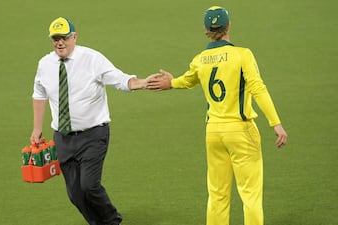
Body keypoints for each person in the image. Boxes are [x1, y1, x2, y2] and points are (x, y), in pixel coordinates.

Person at [147, 6, 288, 225]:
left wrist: (170, 83)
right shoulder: (242, 54)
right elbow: (257, 88)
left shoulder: (200, 60)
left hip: (213, 133)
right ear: (229, 25)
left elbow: (188, 80)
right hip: (242, 131)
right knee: (250, 195)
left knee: (217, 195)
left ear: (206, 29)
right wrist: (275, 123)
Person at [30, 17, 156, 225]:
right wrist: (36, 128)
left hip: (93, 135)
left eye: (64, 37)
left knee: (89, 185)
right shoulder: (45, 64)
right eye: (56, 38)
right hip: (62, 139)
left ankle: (112, 221)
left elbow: (119, 78)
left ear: (74, 37)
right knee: (75, 195)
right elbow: (39, 94)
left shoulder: (92, 59)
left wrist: (142, 82)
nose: (60, 42)